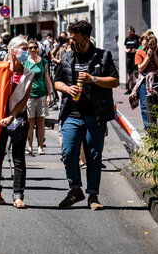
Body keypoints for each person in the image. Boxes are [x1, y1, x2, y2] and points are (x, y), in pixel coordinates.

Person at [54, 20, 118, 210]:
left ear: (86, 38)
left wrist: (94, 79)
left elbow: (114, 81)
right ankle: (75, 190)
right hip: (71, 114)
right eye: (69, 38)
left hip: (95, 115)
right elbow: (57, 81)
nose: (70, 42)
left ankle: (93, 196)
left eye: (73, 39)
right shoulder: (67, 57)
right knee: (68, 152)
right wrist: (67, 88)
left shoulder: (103, 56)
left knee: (93, 156)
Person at [0, 36, 33, 208]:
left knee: (19, 158)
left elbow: (23, 101)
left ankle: (18, 195)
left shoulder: (29, 74)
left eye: (27, 48)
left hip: (18, 118)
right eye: (22, 48)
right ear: (12, 50)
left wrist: (12, 116)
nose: (26, 51)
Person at [23, 38, 53, 155]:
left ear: (38, 49)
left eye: (35, 48)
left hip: (42, 93)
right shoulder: (24, 62)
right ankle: (29, 147)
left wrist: (49, 95)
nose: (33, 50)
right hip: (29, 95)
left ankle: (40, 146)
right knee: (30, 121)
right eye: (30, 48)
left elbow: (47, 78)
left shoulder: (43, 61)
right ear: (28, 50)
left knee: (41, 121)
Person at [135, 34, 158, 129]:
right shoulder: (139, 52)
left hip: (156, 79)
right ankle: (148, 129)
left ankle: (154, 128)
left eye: (154, 44)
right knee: (145, 105)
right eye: (150, 44)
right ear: (146, 44)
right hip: (145, 80)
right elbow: (140, 69)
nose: (152, 46)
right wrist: (148, 57)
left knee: (156, 104)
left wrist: (155, 54)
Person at [123, 26, 140, 95]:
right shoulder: (127, 38)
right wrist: (126, 50)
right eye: (128, 31)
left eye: (130, 31)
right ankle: (130, 89)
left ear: (133, 31)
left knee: (136, 73)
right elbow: (124, 46)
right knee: (129, 74)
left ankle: (138, 89)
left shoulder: (137, 38)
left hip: (135, 57)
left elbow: (141, 46)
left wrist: (135, 50)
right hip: (129, 58)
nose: (129, 32)